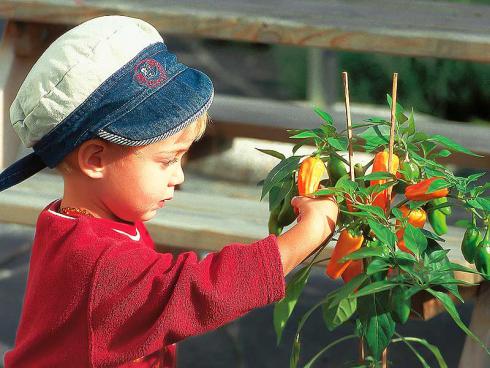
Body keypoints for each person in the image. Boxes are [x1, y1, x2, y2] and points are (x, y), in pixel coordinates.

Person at [0, 15, 338, 367]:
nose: (178, 176)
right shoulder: (102, 263)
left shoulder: (77, 221)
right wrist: (309, 233)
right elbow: (205, 290)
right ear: (96, 159)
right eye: (166, 160)